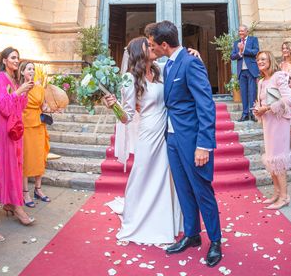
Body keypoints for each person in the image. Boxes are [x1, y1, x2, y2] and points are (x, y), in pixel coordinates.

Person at [147, 21, 222, 267]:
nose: (152, 48)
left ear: (164, 44)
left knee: (202, 189)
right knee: (183, 189)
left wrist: (204, 144)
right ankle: (192, 235)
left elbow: (205, 105)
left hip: (192, 140)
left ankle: (215, 241)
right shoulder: (167, 66)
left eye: (153, 44)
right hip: (172, 139)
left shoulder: (191, 63)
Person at [105, 37, 182, 245]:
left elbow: (178, 61)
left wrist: (193, 53)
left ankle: (165, 220)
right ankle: (137, 217)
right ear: (141, 51)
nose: (154, 46)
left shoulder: (159, 71)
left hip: (166, 131)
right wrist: (114, 106)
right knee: (143, 174)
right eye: (149, 45)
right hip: (148, 133)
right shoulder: (130, 79)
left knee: (166, 175)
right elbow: (127, 117)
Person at [0, 47, 35, 225]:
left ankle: (10, 203)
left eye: (18, 58)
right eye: (13, 58)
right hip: (4, 127)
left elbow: (20, 106)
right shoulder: (1, 77)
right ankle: (18, 206)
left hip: (16, 126)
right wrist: (18, 91)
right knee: (10, 165)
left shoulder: (15, 79)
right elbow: (3, 106)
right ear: (4, 60)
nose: (17, 61)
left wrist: (24, 90)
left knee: (16, 165)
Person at [254, 51, 291, 208]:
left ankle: (284, 196)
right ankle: (277, 193)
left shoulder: (278, 76)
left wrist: (266, 107)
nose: (260, 61)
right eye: (258, 59)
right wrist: (258, 109)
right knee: (272, 158)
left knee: (278, 158)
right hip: (268, 122)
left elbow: (288, 99)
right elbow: (261, 102)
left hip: (279, 122)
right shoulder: (261, 82)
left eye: (263, 59)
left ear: (270, 60)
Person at [20, 61, 51, 207]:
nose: (32, 71)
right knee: (26, 158)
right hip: (26, 125)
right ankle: (25, 192)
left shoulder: (40, 88)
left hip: (39, 124)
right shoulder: (18, 87)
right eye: (28, 69)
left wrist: (52, 108)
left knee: (40, 156)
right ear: (22, 72)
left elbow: (43, 106)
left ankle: (38, 189)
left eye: (33, 69)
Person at [230, 24, 259, 121]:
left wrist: (243, 50)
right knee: (244, 93)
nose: (240, 33)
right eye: (239, 31)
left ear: (247, 31)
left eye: (242, 31)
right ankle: (245, 114)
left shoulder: (253, 39)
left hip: (251, 70)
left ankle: (253, 113)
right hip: (241, 71)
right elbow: (232, 56)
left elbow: (256, 51)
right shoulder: (236, 43)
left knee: (252, 92)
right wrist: (239, 53)